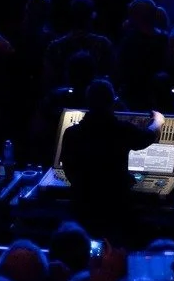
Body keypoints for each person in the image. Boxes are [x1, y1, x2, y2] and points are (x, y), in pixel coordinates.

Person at [59, 78, 163, 238]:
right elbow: (148, 136)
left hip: (81, 209)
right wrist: (158, 121)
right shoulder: (120, 131)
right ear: (113, 102)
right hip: (116, 210)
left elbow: (68, 169)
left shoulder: (72, 134)